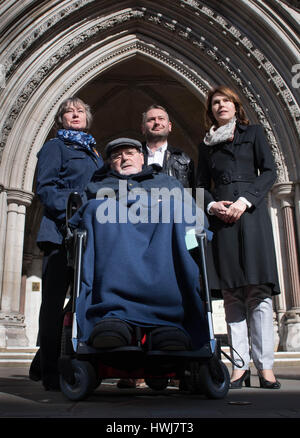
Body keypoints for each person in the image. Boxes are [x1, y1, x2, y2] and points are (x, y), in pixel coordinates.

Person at [68, 137, 210, 374]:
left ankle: (168, 323)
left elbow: (197, 220)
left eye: (130, 153)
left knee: (175, 210)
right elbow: (77, 224)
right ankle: (113, 317)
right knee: (98, 209)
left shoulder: (168, 183)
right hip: (112, 259)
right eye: (117, 156)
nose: (124, 158)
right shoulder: (96, 186)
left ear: (142, 158)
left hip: (164, 253)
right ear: (110, 164)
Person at [196, 85, 281, 389]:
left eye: (225, 101)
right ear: (211, 111)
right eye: (215, 103)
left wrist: (246, 200)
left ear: (235, 106)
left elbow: (270, 172)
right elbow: (199, 185)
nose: (220, 106)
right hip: (222, 220)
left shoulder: (253, 133)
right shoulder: (206, 145)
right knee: (232, 294)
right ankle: (240, 367)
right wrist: (211, 204)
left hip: (251, 214)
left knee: (257, 292)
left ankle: (266, 367)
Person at [29, 96, 103, 390]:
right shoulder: (55, 147)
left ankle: (47, 357)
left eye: (80, 111)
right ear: (61, 119)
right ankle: (49, 372)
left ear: (87, 118)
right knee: (52, 302)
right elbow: (45, 189)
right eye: (69, 111)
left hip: (88, 236)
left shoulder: (94, 154)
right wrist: (73, 213)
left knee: (83, 297)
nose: (75, 114)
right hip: (60, 234)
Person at [141, 104, 195, 190]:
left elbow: (196, 194)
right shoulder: (131, 157)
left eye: (161, 118)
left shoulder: (185, 160)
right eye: (151, 119)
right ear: (143, 128)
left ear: (169, 126)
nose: (157, 122)